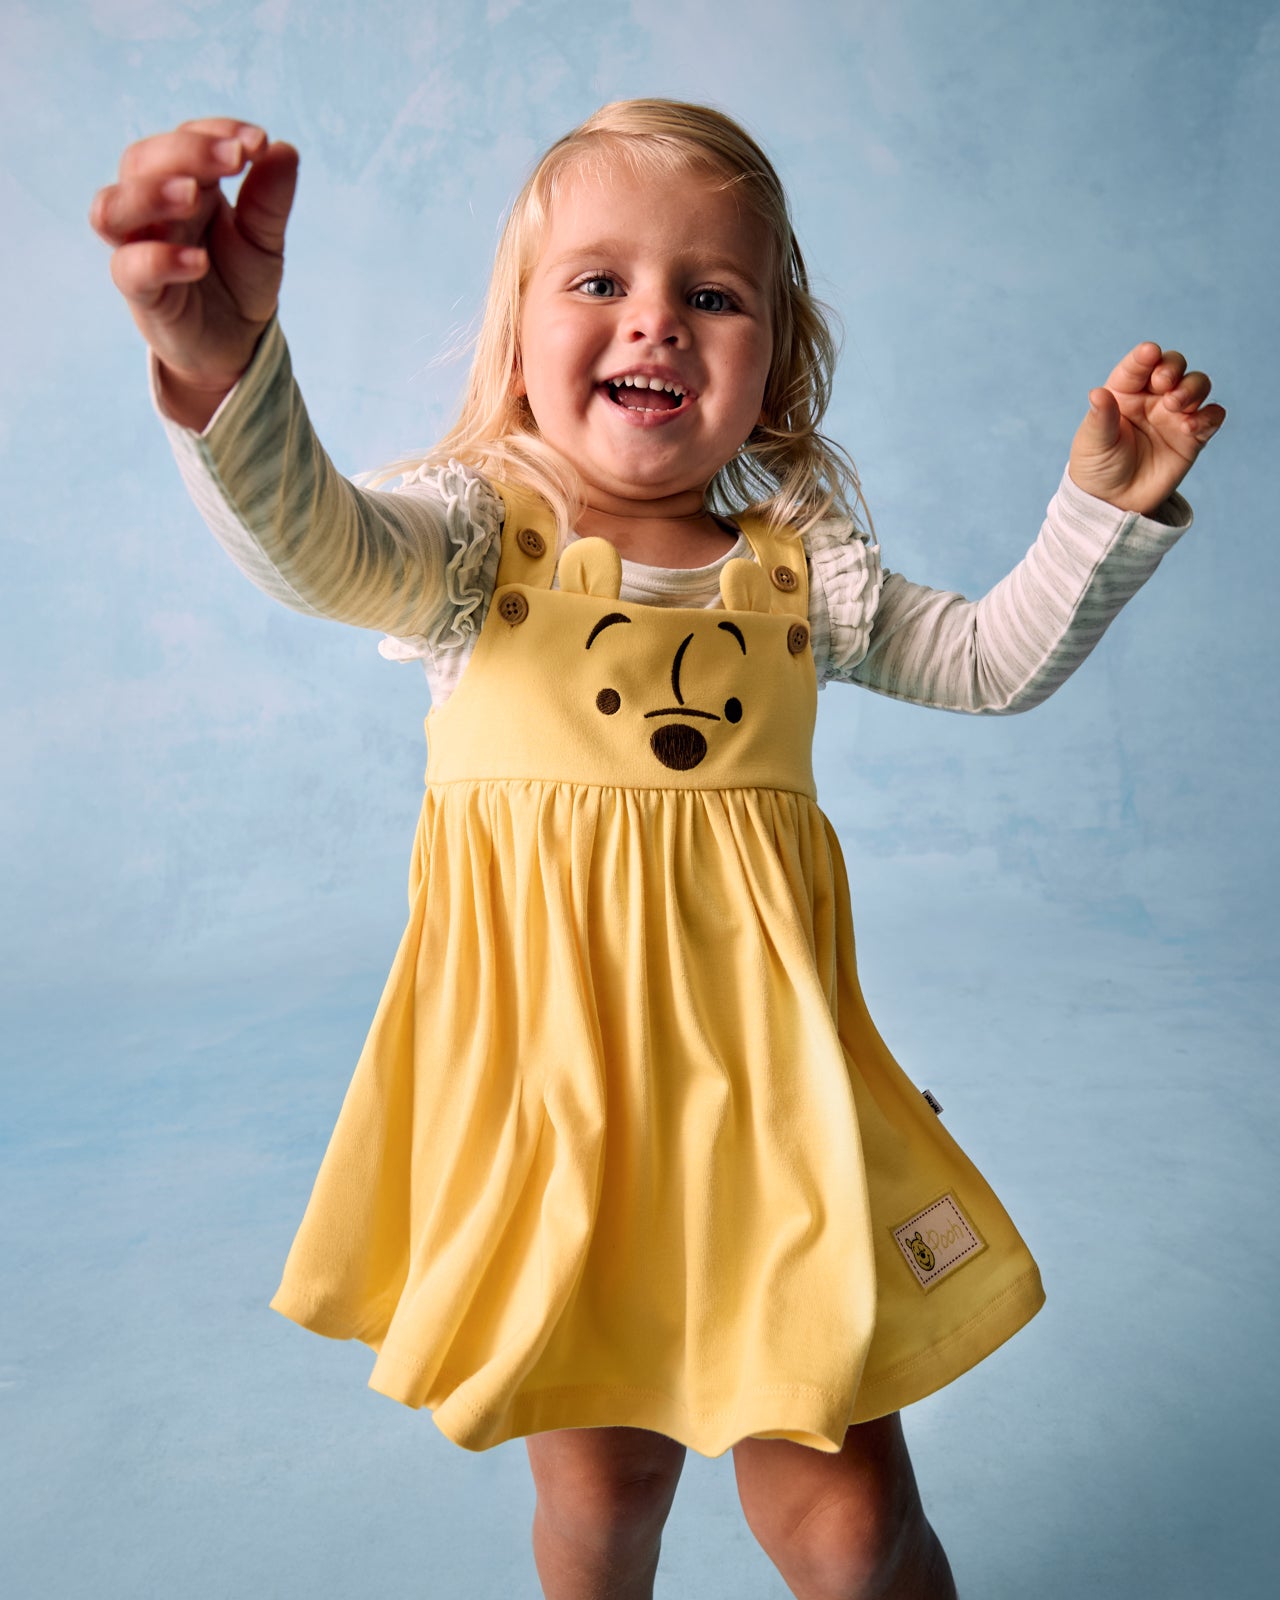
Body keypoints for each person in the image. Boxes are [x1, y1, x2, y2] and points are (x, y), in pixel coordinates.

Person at [90, 101, 1223, 1600]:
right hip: (567, 1138)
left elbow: (989, 662)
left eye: (713, 294)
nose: (657, 323)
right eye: (599, 282)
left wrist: (1100, 509)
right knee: (608, 1496)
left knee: (849, 1519)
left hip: (771, 1126)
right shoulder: (468, 548)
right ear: (515, 339)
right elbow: (310, 540)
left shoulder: (803, 568)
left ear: (777, 358)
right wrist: (216, 363)